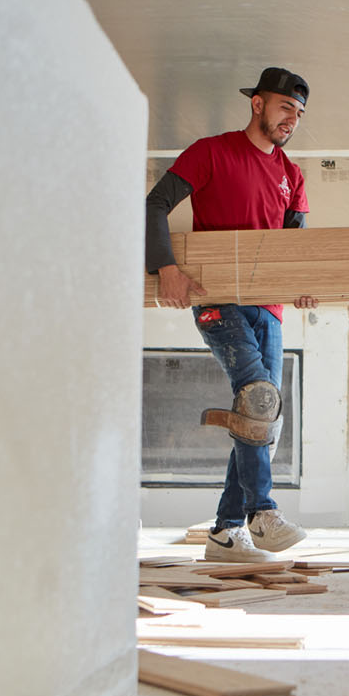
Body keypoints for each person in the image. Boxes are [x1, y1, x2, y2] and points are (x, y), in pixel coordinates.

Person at [145, 66, 319, 562]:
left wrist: (303, 287)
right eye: (285, 107)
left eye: (300, 113)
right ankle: (262, 513)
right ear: (257, 104)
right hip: (217, 300)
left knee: (256, 417)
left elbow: (294, 251)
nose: (293, 119)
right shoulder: (211, 152)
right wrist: (167, 268)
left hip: (270, 309)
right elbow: (154, 206)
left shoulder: (293, 175)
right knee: (259, 401)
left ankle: (224, 532)